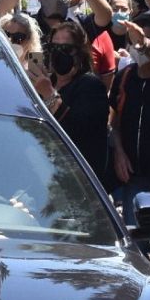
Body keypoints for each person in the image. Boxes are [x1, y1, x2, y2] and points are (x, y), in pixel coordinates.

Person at [30, 19, 110, 184]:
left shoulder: (91, 86)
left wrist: (49, 94)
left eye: (66, 48)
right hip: (43, 178)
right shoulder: (46, 82)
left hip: (78, 184)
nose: (59, 53)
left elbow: (74, 133)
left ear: (79, 53)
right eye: (54, 48)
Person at [109, 12, 150, 209]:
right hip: (134, 178)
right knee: (136, 236)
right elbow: (114, 122)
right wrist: (119, 152)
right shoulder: (124, 77)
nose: (141, 46)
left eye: (148, 40)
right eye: (135, 39)